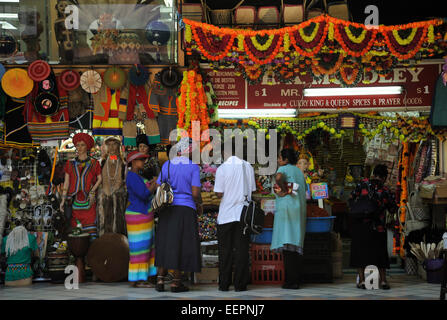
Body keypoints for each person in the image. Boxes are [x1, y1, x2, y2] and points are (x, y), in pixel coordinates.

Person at [154, 137, 202, 293]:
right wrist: (199, 203)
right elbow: (195, 193)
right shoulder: (193, 167)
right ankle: (176, 282)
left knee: (165, 242)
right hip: (185, 209)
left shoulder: (167, 165)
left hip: (167, 209)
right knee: (181, 244)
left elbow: (158, 186)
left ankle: (160, 280)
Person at [214, 142, 256, 292]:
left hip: (226, 215)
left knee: (225, 251)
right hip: (243, 216)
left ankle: (224, 284)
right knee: (241, 250)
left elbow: (219, 193)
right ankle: (240, 284)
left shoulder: (222, 169)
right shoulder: (247, 167)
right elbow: (252, 189)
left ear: (226, 152)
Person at [349, 164, 397, 290]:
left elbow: (351, 199)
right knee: (380, 253)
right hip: (378, 227)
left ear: (373, 174)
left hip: (360, 225)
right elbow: (392, 209)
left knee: (360, 253)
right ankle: (383, 281)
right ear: (385, 177)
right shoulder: (385, 190)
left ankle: (362, 281)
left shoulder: (362, 184)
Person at [271, 149, 307, 289]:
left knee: (287, 244)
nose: (279, 160)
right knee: (295, 244)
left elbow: (279, 177)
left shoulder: (283, 169)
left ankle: (290, 281)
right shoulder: (298, 171)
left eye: (280, 158)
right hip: (298, 210)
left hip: (286, 210)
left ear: (285, 159)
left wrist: (283, 190)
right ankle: (296, 279)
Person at [60, 133, 102, 241]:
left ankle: (92, 255)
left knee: (91, 233)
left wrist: (92, 192)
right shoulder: (70, 164)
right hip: (74, 202)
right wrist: (63, 200)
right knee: (76, 233)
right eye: (77, 145)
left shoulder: (94, 163)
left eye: (82, 145)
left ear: (87, 146)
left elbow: (100, 179)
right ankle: (78, 256)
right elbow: (66, 182)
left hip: (90, 201)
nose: (79, 147)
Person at [125, 151, 158, 288]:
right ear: (133, 162)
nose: (143, 162)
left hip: (143, 215)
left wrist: (150, 183)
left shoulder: (136, 176)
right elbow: (144, 194)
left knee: (146, 247)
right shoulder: (132, 176)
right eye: (141, 160)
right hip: (138, 215)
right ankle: (138, 279)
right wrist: (154, 185)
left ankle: (144, 277)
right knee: (140, 248)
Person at [97, 136, 127, 236]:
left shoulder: (123, 163)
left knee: (118, 226)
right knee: (104, 223)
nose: (111, 147)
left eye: (114, 144)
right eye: (109, 144)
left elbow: (125, 181)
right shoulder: (101, 162)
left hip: (119, 199)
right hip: (104, 197)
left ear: (118, 146)